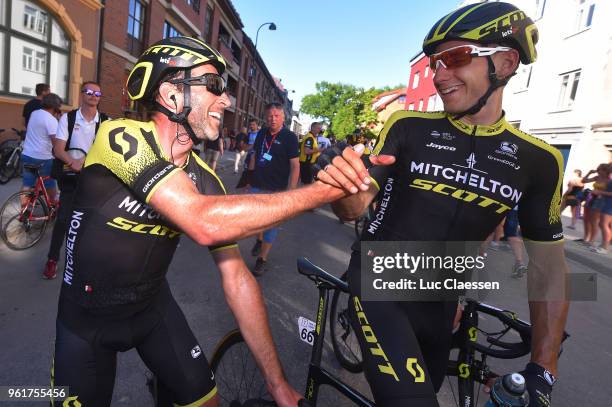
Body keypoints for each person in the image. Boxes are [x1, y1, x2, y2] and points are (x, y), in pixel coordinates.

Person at [50, 36, 352, 407]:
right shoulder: (119, 136)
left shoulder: (207, 178)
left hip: (151, 308)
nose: (226, 100)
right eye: (213, 86)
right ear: (170, 94)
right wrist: (320, 193)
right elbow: (202, 221)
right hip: (85, 321)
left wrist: (277, 385)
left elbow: (238, 279)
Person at [314, 3, 568, 406]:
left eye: (456, 58)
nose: (438, 75)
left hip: (441, 293)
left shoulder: (540, 161)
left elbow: (549, 270)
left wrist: (543, 369)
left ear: (504, 62)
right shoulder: (408, 126)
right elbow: (354, 208)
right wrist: (343, 187)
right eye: (435, 63)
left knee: (425, 391)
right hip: (380, 279)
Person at [43, 81, 110, 280]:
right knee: (63, 220)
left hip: (95, 179)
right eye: (89, 92)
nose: (93, 95)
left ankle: (85, 262)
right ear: (82, 94)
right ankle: (52, 260)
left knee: (92, 222)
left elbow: (107, 149)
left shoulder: (106, 121)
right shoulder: (68, 118)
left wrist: (85, 160)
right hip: (71, 176)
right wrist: (73, 162)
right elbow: (58, 149)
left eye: (97, 93)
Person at [248, 103, 300, 274]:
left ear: (283, 117)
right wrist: (249, 178)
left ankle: (262, 259)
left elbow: (295, 166)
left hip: (277, 189)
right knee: (256, 220)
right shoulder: (262, 132)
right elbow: (255, 155)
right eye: (270, 115)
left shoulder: (290, 137)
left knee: (272, 224)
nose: (273, 119)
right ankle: (259, 239)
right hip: (257, 184)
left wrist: (291, 192)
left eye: (277, 115)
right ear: (265, 116)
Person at [21, 93, 62, 200]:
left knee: (27, 184)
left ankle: (24, 212)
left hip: (27, 154)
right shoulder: (51, 120)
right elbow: (56, 143)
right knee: (50, 184)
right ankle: (52, 206)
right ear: (55, 107)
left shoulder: (34, 113)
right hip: (43, 158)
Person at [585, 163, 612, 253]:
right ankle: (603, 245)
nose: (598, 171)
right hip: (601, 201)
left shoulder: (609, 180)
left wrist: (600, 192)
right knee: (600, 223)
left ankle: (605, 247)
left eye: (601, 169)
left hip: (607, 203)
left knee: (603, 224)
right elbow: (584, 180)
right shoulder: (604, 179)